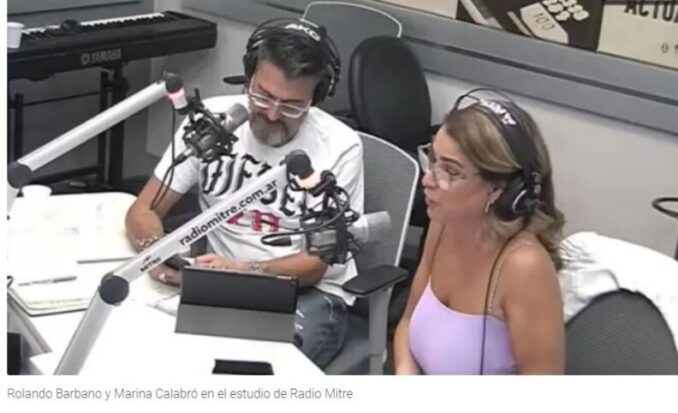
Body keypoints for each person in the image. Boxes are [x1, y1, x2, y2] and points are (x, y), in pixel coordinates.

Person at [125, 18, 364, 368]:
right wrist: (158, 253)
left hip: (305, 294)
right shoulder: (213, 123)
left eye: (292, 105)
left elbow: (315, 265)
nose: (272, 114)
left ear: (317, 97)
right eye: (262, 96)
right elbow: (143, 209)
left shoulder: (340, 147)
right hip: (216, 282)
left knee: (250, 372)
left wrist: (243, 270)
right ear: (249, 77)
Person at [393, 90, 565, 375]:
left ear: (499, 190)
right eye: (432, 160)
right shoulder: (444, 223)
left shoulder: (524, 267)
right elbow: (408, 320)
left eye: (450, 171)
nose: (428, 180)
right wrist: (404, 371)